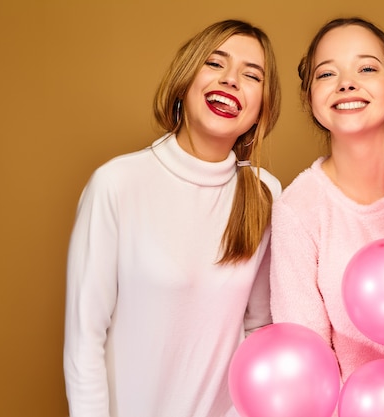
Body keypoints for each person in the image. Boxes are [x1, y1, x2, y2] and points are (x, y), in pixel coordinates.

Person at [63, 19, 281, 417]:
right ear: (185, 80)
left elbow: (260, 329)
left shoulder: (265, 194)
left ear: (260, 110)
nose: (232, 80)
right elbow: (84, 338)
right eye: (216, 64)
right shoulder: (117, 184)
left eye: (252, 75)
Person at [269, 17, 384, 400]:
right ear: (311, 99)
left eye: (367, 68)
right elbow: (305, 362)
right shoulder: (297, 210)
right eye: (326, 74)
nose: (346, 83)